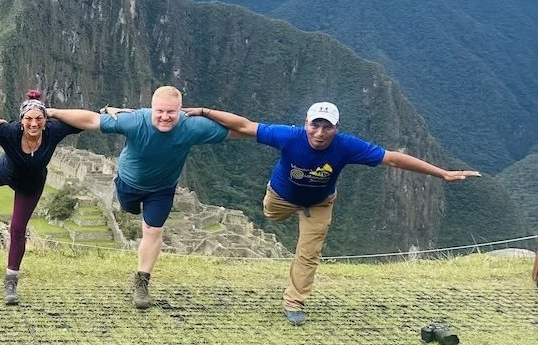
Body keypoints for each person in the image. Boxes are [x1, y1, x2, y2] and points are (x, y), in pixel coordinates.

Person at [185, 101, 481, 325]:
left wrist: (441, 173)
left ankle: (294, 302)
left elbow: (393, 159)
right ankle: (289, 206)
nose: (320, 132)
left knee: (309, 252)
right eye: (315, 125)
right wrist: (203, 111)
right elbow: (244, 126)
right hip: (280, 198)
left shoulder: (346, 146)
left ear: (336, 128)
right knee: (272, 214)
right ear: (306, 124)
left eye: (327, 127)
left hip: (319, 203)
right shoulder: (288, 136)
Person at [48, 86, 232, 309]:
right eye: (160, 111)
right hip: (128, 184)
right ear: (151, 108)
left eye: (171, 112)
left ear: (180, 110)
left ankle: (142, 281)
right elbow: (90, 120)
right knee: (129, 208)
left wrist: (271, 134)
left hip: (162, 189)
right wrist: (52, 112)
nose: (165, 116)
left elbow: (239, 130)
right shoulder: (133, 121)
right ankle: (128, 198)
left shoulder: (192, 125)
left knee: (153, 230)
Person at [0, 89, 81, 305]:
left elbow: (84, 121)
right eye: (29, 119)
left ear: (45, 119)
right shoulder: (10, 132)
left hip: (30, 186)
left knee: (18, 229)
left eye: (39, 119)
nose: (34, 124)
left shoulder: (53, 131)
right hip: (6, 170)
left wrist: (106, 112)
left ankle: (11, 281)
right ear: (21, 120)